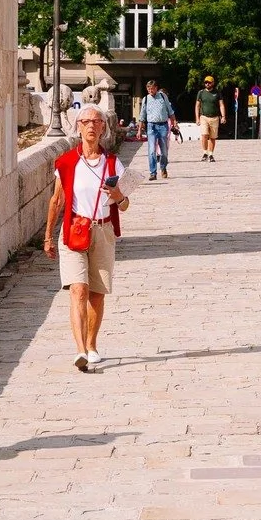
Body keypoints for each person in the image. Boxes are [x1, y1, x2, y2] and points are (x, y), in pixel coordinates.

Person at [44, 106, 125, 372]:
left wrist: (119, 197)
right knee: (78, 290)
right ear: (78, 127)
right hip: (74, 230)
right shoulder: (67, 162)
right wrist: (48, 236)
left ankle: (91, 345)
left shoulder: (113, 163)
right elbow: (56, 201)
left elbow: (124, 205)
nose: (91, 125)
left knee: (97, 295)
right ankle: (80, 350)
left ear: (103, 127)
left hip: (103, 231)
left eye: (96, 121)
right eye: (86, 121)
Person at [139, 78, 175, 180]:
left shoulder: (163, 96)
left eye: (152, 88)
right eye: (148, 89)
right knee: (152, 150)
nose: (150, 90)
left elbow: (170, 110)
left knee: (164, 151)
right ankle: (153, 172)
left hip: (163, 126)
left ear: (156, 88)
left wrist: (174, 123)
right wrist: (139, 130)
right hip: (151, 127)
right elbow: (142, 115)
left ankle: (163, 167)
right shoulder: (146, 99)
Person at [195, 74, 225, 160]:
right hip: (204, 117)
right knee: (204, 134)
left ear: (213, 83)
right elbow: (197, 106)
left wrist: (223, 116)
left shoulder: (217, 93)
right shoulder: (201, 93)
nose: (207, 84)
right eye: (206, 82)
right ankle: (205, 152)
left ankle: (211, 154)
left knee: (212, 137)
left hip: (215, 117)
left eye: (209, 82)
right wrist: (197, 118)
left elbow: (221, 105)